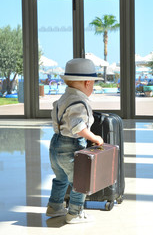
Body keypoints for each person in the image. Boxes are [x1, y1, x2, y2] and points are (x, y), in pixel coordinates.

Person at [46, 58, 104, 224]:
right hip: (70, 146)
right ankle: (75, 213)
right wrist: (94, 137)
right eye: (93, 83)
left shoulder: (64, 98)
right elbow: (78, 127)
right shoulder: (80, 102)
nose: (92, 87)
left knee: (60, 178)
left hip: (55, 144)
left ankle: (55, 206)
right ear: (87, 83)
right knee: (80, 181)